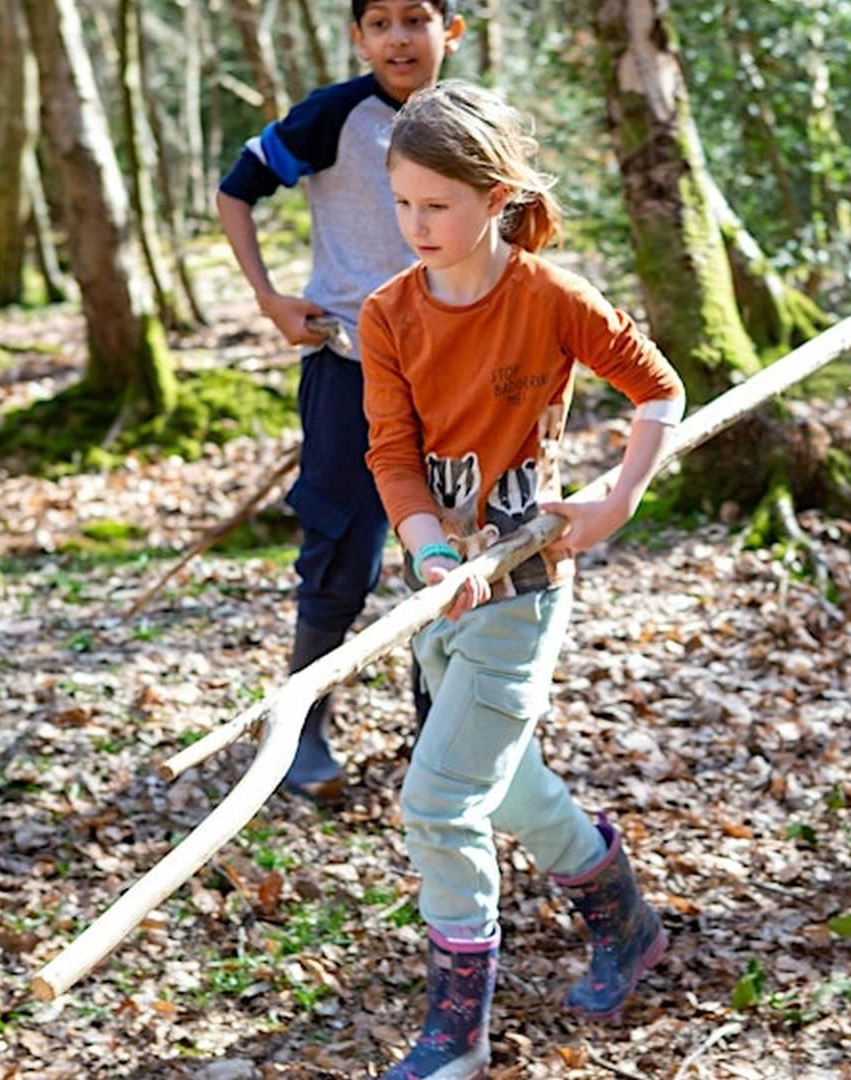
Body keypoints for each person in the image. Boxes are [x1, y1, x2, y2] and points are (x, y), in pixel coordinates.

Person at [357, 81, 685, 1079]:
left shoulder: (549, 298)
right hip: (439, 588)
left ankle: (457, 1034)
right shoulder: (387, 315)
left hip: (527, 582)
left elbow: (658, 390)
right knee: (506, 783)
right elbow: (392, 455)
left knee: (441, 800)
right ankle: (623, 920)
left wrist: (617, 500)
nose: (418, 225)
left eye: (438, 206)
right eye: (404, 203)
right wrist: (431, 552)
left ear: (495, 197)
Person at [215, 0, 466, 802]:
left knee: (452, 554)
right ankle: (302, 730)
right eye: (381, 22)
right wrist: (269, 299)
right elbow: (235, 191)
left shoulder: (472, 122)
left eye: (416, 19)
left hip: (459, 379)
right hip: (351, 368)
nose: (399, 38)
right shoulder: (334, 115)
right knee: (341, 554)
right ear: (358, 37)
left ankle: (440, 735)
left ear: (449, 32)